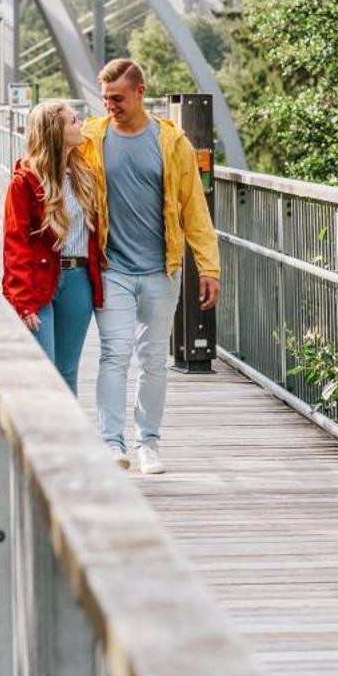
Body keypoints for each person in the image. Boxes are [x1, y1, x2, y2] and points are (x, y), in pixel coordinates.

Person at [83, 58, 220, 476]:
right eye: (106, 99)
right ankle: (111, 442)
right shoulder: (91, 137)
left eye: (119, 98)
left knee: (154, 358)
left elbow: (193, 207)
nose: (111, 106)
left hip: (162, 270)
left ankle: (149, 442)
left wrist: (209, 267)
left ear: (140, 92)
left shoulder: (171, 141)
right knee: (114, 354)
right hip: (113, 268)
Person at [2, 100, 103, 395]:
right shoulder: (25, 183)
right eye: (73, 121)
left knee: (67, 371)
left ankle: (70, 440)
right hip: (37, 283)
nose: (80, 123)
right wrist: (22, 300)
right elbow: (15, 243)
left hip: (77, 280)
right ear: (55, 132)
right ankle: (40, 439)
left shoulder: (84, 175)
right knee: (43, 371)